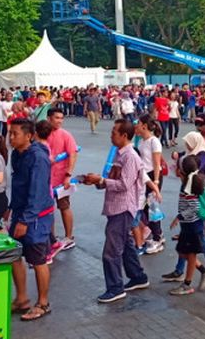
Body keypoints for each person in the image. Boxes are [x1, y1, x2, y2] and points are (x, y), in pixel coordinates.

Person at [82, 119, 150, 303]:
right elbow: (113, 179)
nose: (111, 135)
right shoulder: (119, 155)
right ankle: (138, 276)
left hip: (123, 207)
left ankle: (115, 287)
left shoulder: (130, 157)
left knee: (111, 251)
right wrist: (97, 181)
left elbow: (124, 184)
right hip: (116, 207)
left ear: (124, 136)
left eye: (114, 132)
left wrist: (101, 181)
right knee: (126, 244)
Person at [8, 118, 54, 321]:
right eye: (9, 133)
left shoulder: (38, 157)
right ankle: (21, 298)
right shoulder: (16, 154)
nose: (10, 137)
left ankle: (43, 303)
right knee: (14, 255)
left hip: (36, 217)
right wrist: (10, 208)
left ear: (28, 136)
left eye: (14, 134)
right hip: (19, 212)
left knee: (37, 260)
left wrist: (25, 221)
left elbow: (37, 192)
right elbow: (19, 184)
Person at [163, 132, 205, 285]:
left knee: (194, 248)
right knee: (185, 248)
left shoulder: (197, 166)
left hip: (192, 221)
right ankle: (183, 271)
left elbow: (193, 206)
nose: (187, 146)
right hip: (189, 221)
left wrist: (179, 216)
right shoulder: (189, 174)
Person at [168, 155, 205, 295]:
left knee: (190, 253)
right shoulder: (188, 183)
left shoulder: (190, 186)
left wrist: (179, 216)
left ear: (181, 171)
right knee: (183, 252)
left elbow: (194, 206)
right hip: (189, 225)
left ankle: (187, 284)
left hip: (193, 225)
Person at [47, 108, 78, 251]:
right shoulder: (42, 134)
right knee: (47, 209)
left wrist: (68, 175)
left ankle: (69, 237)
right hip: (45, 179)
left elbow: (72, 154)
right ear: (49, 118)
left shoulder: (66, 135)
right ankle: (51, 238)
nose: (59, 121)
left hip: (61, 178)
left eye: (61, 118)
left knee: (64, 206)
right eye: (56, 118)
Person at [134, 114, 164, 255]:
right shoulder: (141, 141)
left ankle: (158, 239)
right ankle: (157, 233)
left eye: (138, 123)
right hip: (145, 176)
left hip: (153, 176)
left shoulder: (154, 141)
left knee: (152, 208)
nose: (137, 126)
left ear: (144, 126)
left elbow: (157, 163)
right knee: (146, 208)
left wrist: (156, 182)